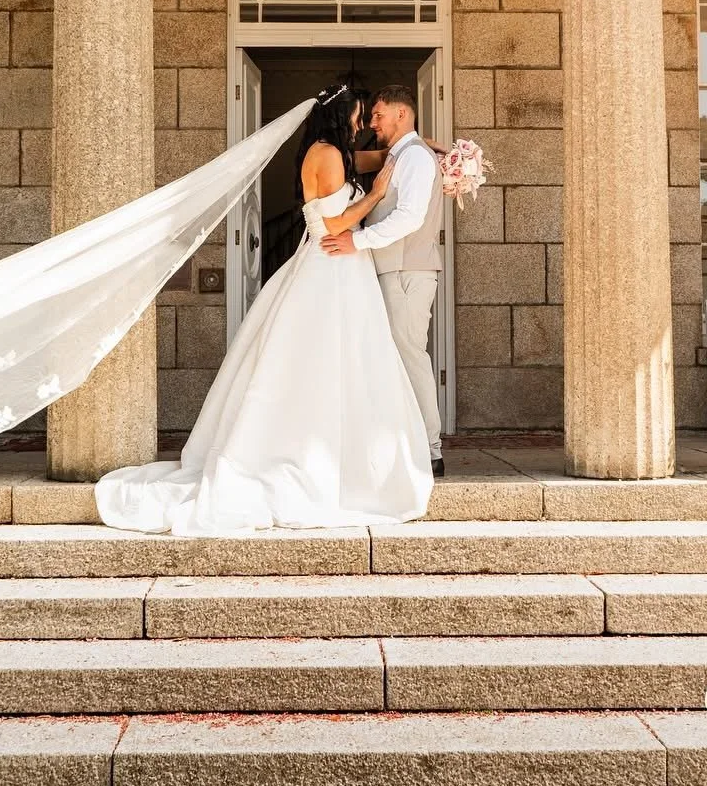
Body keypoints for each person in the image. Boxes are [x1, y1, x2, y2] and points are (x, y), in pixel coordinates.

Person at [93, 85, 434, 535]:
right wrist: (373, 198)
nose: (361, 127)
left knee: (347, 360)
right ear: (338, 120)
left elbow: (384, 159)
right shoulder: (327, 156)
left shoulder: (335, 153)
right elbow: (332, 224)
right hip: (332, 262)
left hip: (343, 270)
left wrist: (426, 150)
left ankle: (348, 454)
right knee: (323, 360)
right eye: (356, 118)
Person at [320, 85, 445, 476]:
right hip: (390, 269)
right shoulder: (402, 154)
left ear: (401, 115)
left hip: (407, 270)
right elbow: (350, 162)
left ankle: (430, 450)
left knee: (410, 356)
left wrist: (356, 240)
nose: (372, 123)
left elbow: (409, 217)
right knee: (393, 358)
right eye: (370, 116)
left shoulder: (417, 160)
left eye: (378, 115)